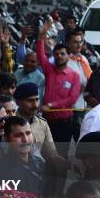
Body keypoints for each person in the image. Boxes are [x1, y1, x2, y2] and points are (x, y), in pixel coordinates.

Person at [36, 20, 80, 157]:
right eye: (56, 54)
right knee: (46, 155)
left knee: (62, 156)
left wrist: (51, 105)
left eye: (62, 54)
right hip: (47, 122)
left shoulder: (74, 76)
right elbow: (40, 55)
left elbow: (72, 99)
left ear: (68, 56)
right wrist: (41, 36)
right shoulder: (49, 70)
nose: (59, 56)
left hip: (64, 123)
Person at [0, 116, 45, 196]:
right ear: (6, 139)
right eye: (18, 135)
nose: (25, 140)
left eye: (28, 133)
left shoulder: (41, 164)